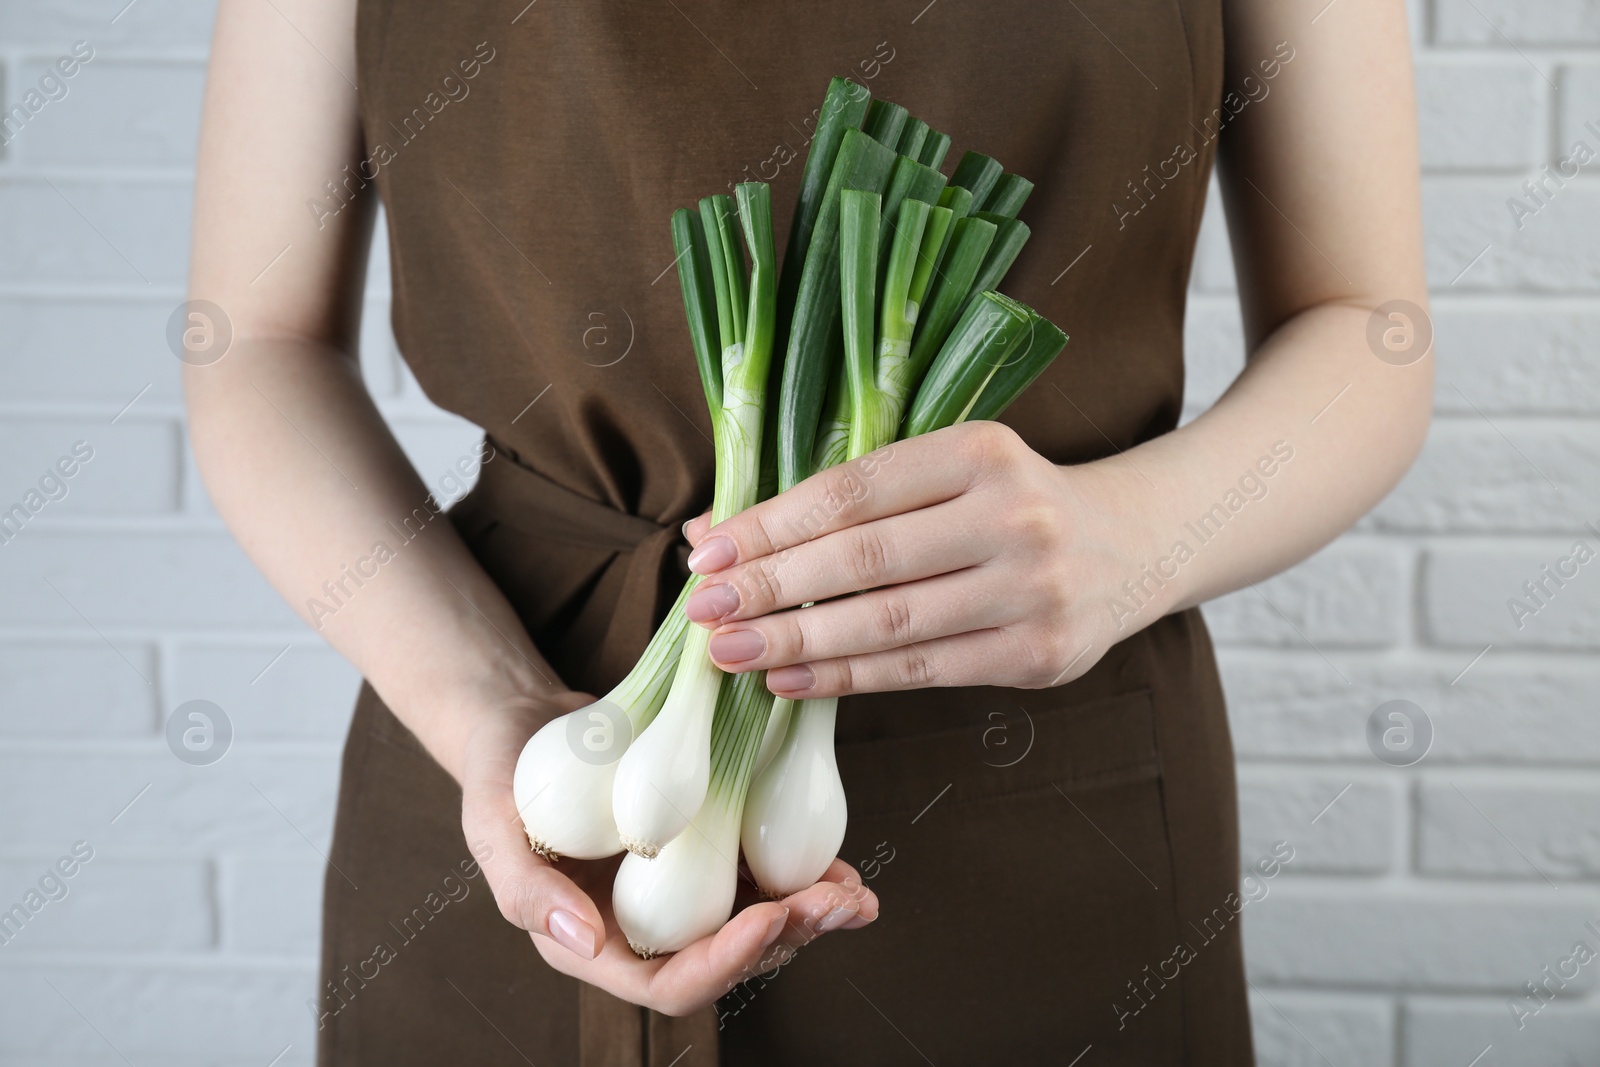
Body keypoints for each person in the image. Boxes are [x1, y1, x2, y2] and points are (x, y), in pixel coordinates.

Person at [184, 0, 1430, 1062]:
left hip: (1034, 789)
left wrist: (1132, 537)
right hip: (501, 756)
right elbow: (254, 341)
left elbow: (1367, 326)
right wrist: (486, 712)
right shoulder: (491, 730)